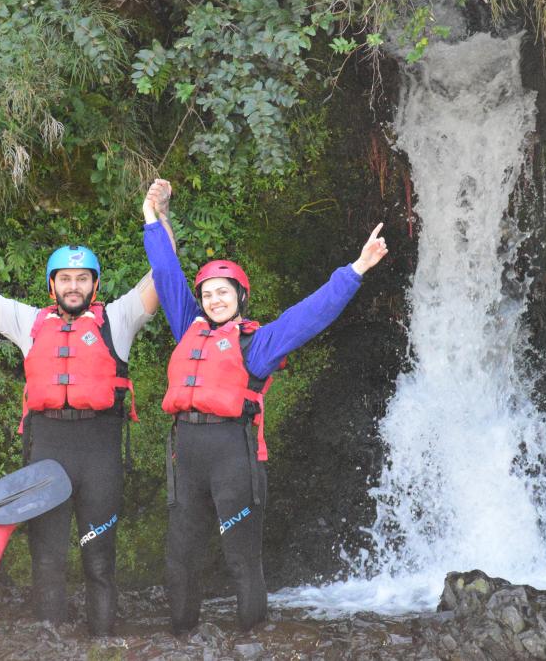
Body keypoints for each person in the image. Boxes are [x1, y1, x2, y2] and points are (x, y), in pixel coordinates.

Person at [0, 180, 174, 636]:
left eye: (82, 279)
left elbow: (163, 274)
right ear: (52, 284)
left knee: (99, 554)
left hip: (99, 450)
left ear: (94, 285)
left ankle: (101, 640)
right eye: (65, 278)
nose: (74, 286)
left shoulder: (117, 319)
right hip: (47, 446)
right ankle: (50, 638)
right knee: (47, 553)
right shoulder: (28, 322)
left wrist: (159, 214)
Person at [142, 187, 389, 634]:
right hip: (187, 456)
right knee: (180, 555)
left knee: (241, 556)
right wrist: (152, 216)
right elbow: (165, 273)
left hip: (234, 457)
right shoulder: (186, 327)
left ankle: (253, 639)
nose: (215, 299)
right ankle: (181, 636)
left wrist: (357, 269)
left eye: (224, 292)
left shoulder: (257, 343)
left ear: (240, 297)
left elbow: (311, 314)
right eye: (209, 293)